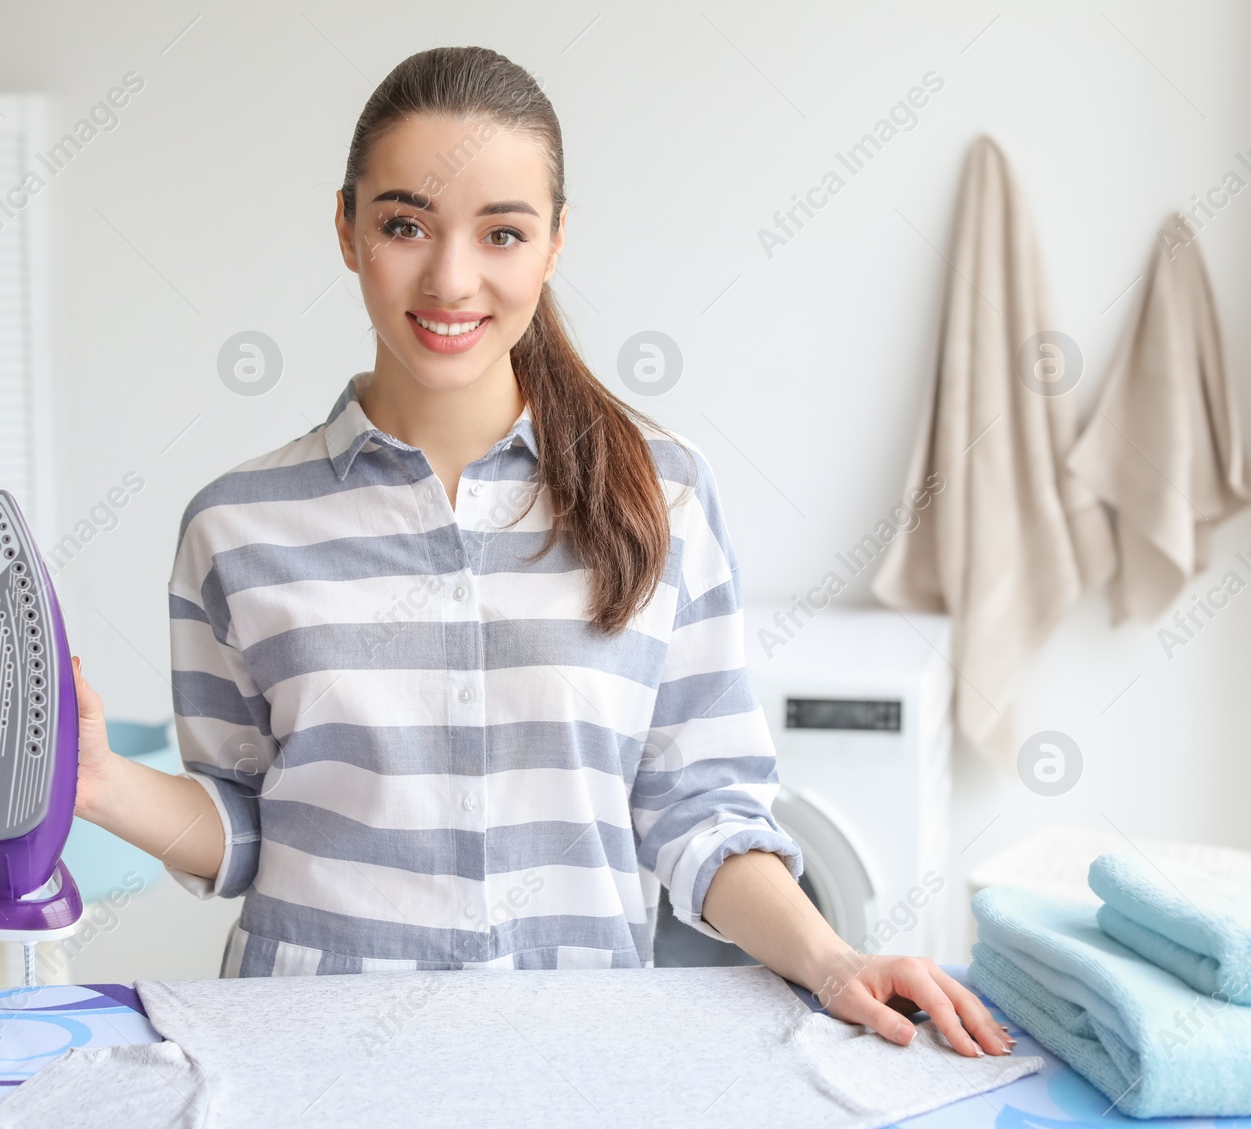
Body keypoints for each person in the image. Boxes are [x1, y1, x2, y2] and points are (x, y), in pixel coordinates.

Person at [71, 44, 1012, 1059]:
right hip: (304, 1057)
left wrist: (832, 960)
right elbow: (248, 825)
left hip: (575, 1057)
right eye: (404, 225)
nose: (450, 277)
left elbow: (696, 810)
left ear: (554, 243)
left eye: (501, 233)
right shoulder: (236, 524)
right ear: (346, 230)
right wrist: (98, 786)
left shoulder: (663, 491)